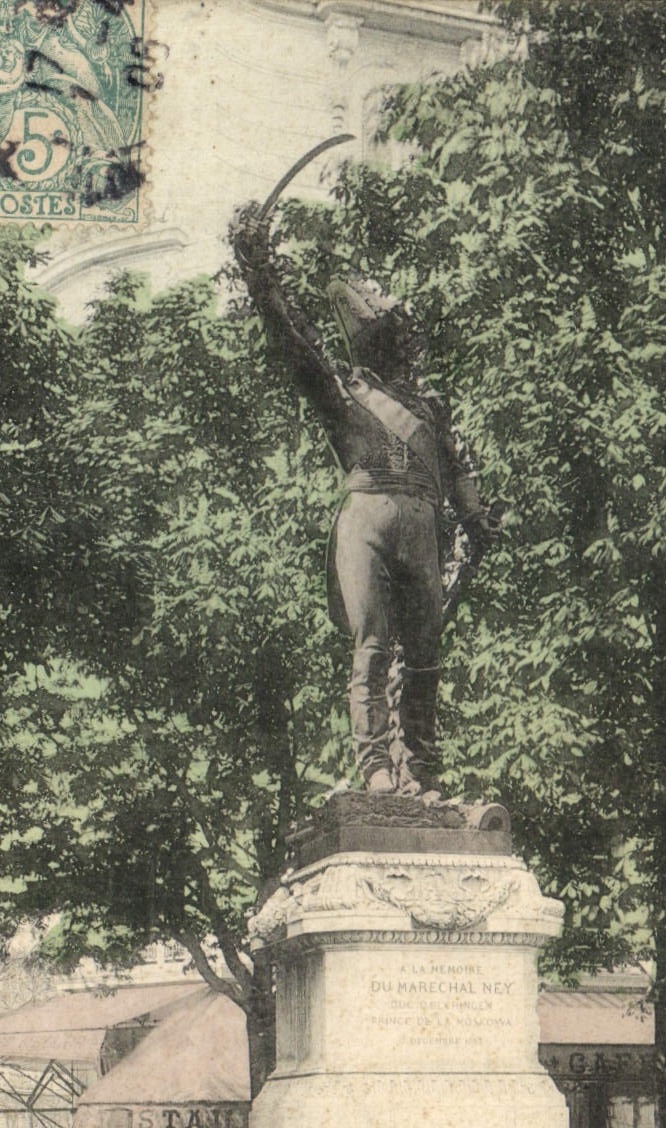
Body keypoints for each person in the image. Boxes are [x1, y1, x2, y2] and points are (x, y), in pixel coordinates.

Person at [230, 206, 495, 798]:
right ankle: (375, 765)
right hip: (368, 518)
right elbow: (293, 344)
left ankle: (420, 768)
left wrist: (474, 516)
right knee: (372, 644)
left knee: (426, 651)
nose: (396, 332)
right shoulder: (344, 393)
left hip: (423, 525)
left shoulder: (430, 407)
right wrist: (261, 278)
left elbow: (456, 465)